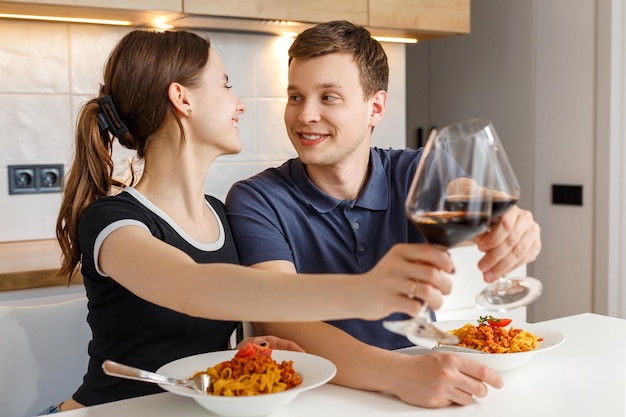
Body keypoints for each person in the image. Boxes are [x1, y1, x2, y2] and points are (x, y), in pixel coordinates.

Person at [47, 28, 449, 413]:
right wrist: (365, 292)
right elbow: (194, 287)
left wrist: (244, 348)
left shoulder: (220, 215)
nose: (239, 103)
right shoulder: (112, 222)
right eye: (225, 85)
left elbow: (215, 316)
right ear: (183, 99)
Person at [225, 20, 542, 408]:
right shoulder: (256, 198)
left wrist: (509, 220)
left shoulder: (416, 170)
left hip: (424, 379)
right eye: (295, 97)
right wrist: (398, 375)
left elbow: (471, 196)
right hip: (316, 396)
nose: (305, 114)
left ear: (375, 107)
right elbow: (280, 317)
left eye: (328, 97)